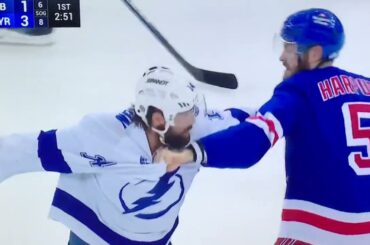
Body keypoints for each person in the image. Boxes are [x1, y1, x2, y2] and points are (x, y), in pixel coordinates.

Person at [157, 8, 370, 245]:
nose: (281, 56)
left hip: (317, 234)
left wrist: (191, 152)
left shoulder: (300, 89)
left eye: (289, 47)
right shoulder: (365, 88)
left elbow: (254, 141)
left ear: (314, 53)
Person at [0, 66, 253, 244]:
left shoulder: (194, 126)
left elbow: (255, 120)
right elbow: (25, 149)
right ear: (158, 119)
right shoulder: (104, 135)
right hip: (93, 238)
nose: (193, 121)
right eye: (185, 112)